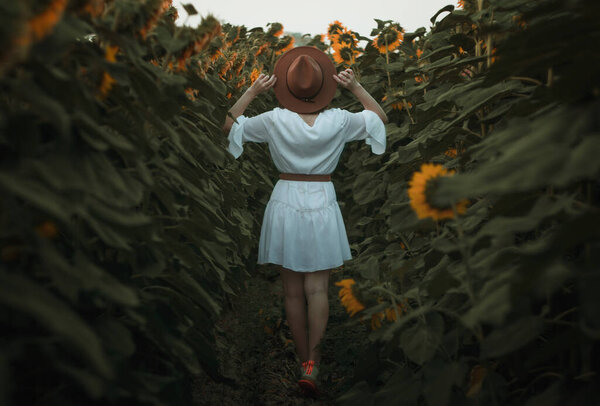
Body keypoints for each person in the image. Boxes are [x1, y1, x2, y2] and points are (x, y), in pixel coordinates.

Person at [222, 46, 388, 397]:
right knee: (318, 289)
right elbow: (379, 118)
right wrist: (356, 87)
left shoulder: (274, 120)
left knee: (293, 292)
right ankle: (315, 362)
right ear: (323, 88)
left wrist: (252, 91)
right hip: (322, 200)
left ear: (286, 87)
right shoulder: (340, 120)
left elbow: (228, 125)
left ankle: (302, 362)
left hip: (285, 199)